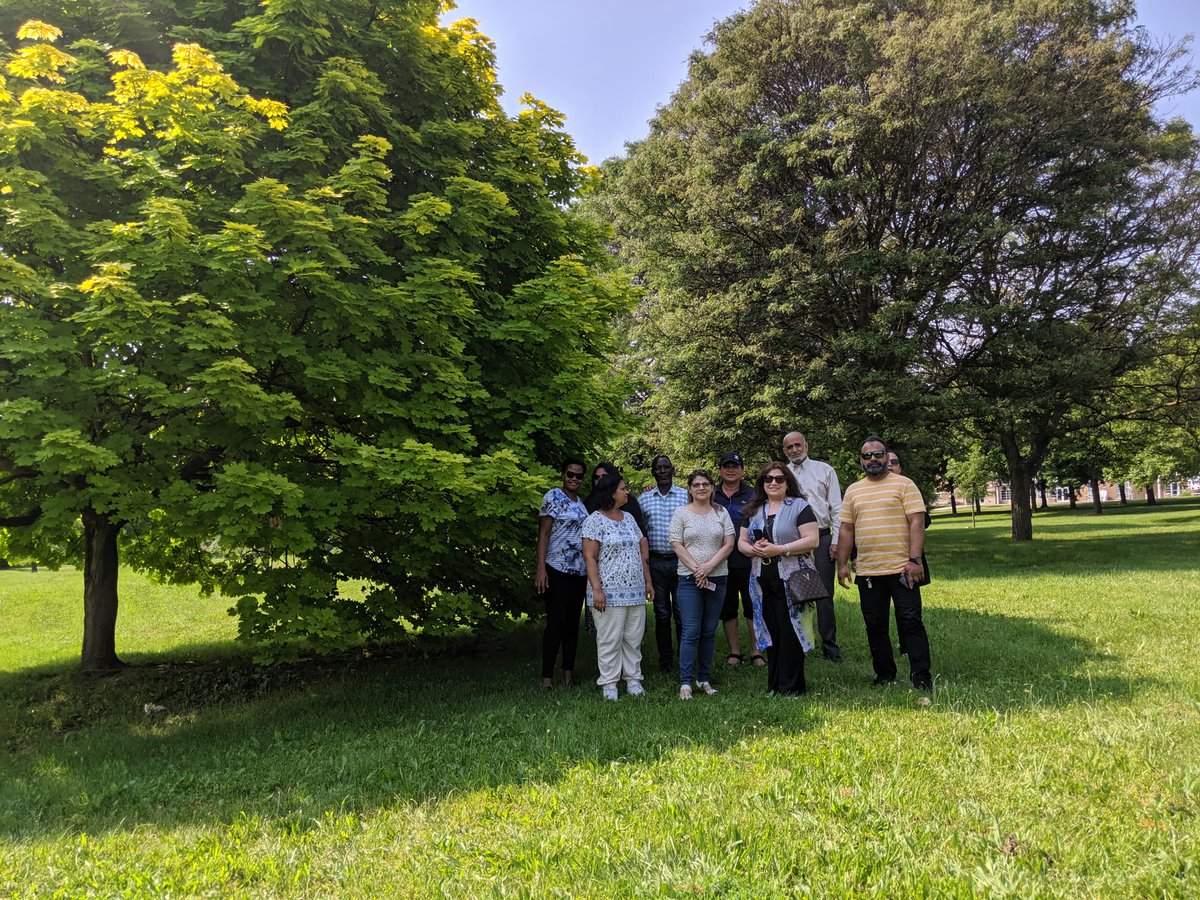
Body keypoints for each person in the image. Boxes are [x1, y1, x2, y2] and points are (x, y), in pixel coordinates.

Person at [837, 436, 933, 691]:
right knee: (875, 626)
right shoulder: (853, 490)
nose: (872, 459)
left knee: (911, 622)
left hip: (903, 570)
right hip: (868, 571)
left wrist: (914, 560)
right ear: (861, 460)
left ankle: (921, 676)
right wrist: (842, 563)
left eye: (877, 454)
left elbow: (917, 522)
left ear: (886, 456)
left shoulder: (904, 485)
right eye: (866, 456)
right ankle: (884, 674)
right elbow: (846, 529)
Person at [739, 462, 821, 696]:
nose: (773, 483)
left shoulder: (799, 506)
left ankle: (792, 686)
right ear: (761, 483)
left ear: (788, 483)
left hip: (792, 581)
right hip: (762, 582)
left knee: (791, 632)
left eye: (779, 479)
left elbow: (811, 539)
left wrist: (781, 549)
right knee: (771, 631)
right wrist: (754, 548)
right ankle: (774, 684)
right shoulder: (754, 509)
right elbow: (741, 543)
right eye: (768, 479)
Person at [582, 474, 654, 700]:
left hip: (634, 591)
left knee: (633, 637)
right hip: (608, 593)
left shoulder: (630, 518)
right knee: (609, 638)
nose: (627, 492)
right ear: (611, 492)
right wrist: (597, 589)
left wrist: (648, 581)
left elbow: (640, 553)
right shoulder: (595, 520)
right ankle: (609, 684)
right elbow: (590, 557)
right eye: (623, 489)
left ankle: (633, 680)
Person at [669, 470, 735, 699]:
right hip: (689, 579)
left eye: (705, 484)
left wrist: (708, 568)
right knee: (690, 631)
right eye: (696, 484)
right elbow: (676, 544)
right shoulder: (681, 513)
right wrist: (698, 569)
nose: (701, 488)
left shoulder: (721, 512)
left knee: (708, 631)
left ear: (712, 487)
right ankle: (685, 682)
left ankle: (704, 678)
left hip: (717, 577)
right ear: (689, 489)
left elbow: (728, 544)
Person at [783, 431, 844, 662]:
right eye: (790, 447)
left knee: (824, 596)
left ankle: (830, 647)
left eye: (798, 445)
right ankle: (798, 645)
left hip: (822, 537)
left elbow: (837, 509)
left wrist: (836, 541)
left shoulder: (824, 470)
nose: (795, 450)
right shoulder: (782, 474)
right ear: (785, 451)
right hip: (792, 540)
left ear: (806, 445)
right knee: (793, 594)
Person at [535, 459, 589, 688]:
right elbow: (544, 534)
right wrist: (540, 568)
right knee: (555, 622)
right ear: (563, 474)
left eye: (578, 476)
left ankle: (569, 674)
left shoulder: (582, 503)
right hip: (556, 568)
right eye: (570, 474)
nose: (574, 479)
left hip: (579, 572)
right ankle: (547, 677)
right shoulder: (553, 497)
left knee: (571, 625)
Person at [712, 452, 764, 667]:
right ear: (721, 470)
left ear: (742, 470)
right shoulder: (711, 494)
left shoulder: (753, 495)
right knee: (728, 607)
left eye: (735, 466)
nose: (730, 470)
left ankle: (756, 651)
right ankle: (734, 652)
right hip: (720, 560)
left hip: (749, 559)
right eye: (726, 466)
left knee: (752, 605)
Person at [639, 455, 688, 672]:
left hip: (681, 562)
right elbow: (641, 533)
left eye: (665, 467)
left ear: (672, 470)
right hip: (656, 563)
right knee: (661, 614)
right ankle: (665, 661)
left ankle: (683, 659)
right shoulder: (644, 499)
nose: (661, 471)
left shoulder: (686, 496)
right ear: (653, 472)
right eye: (657, 468)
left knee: (681, 613)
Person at [886, 450, 930, 657]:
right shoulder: (866, 490)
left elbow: (923, 521)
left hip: (909, 559)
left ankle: (908, 649)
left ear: (900, 466)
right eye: (886, 461)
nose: (890, 465)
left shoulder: (908, 487)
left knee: (910, 612)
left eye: (895, 462)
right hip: (879, 563)